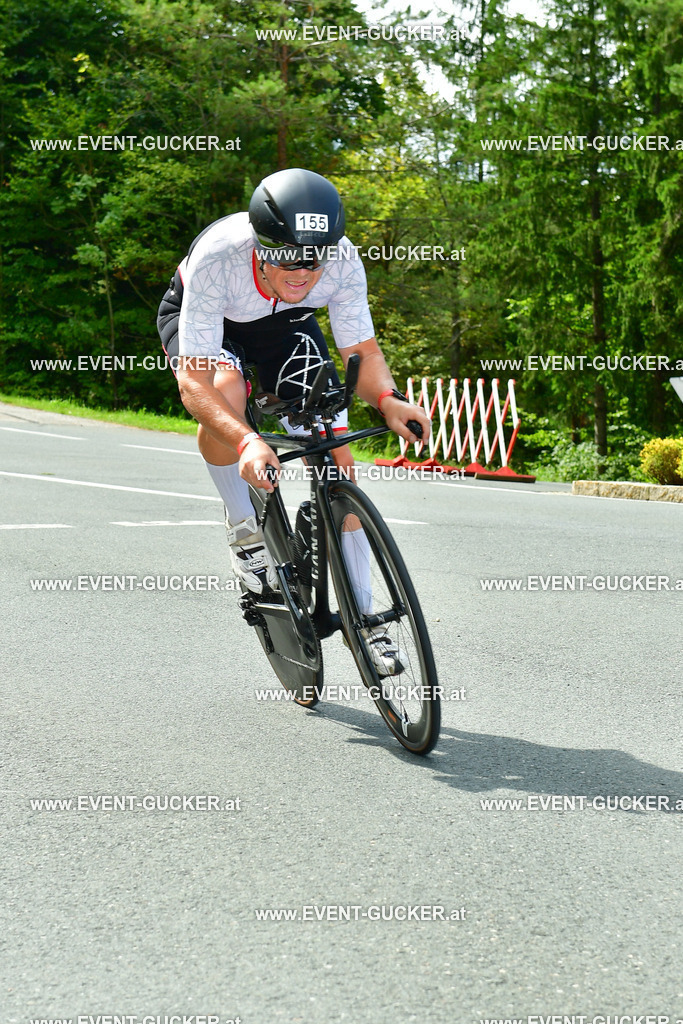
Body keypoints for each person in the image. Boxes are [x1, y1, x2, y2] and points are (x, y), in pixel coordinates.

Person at [157, 167, 430, 673]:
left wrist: (391, 401)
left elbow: (361, 349)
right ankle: (244, 529)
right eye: (286, 255)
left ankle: (365, 621)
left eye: (314, 256)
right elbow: (192, 385)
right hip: (215, 322)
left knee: (338, 458)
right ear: (259, 246)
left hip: (286, 327)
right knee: (227, 390)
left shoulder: (341, 259)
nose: (303, 270)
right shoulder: (221, 257)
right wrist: (245, 442)